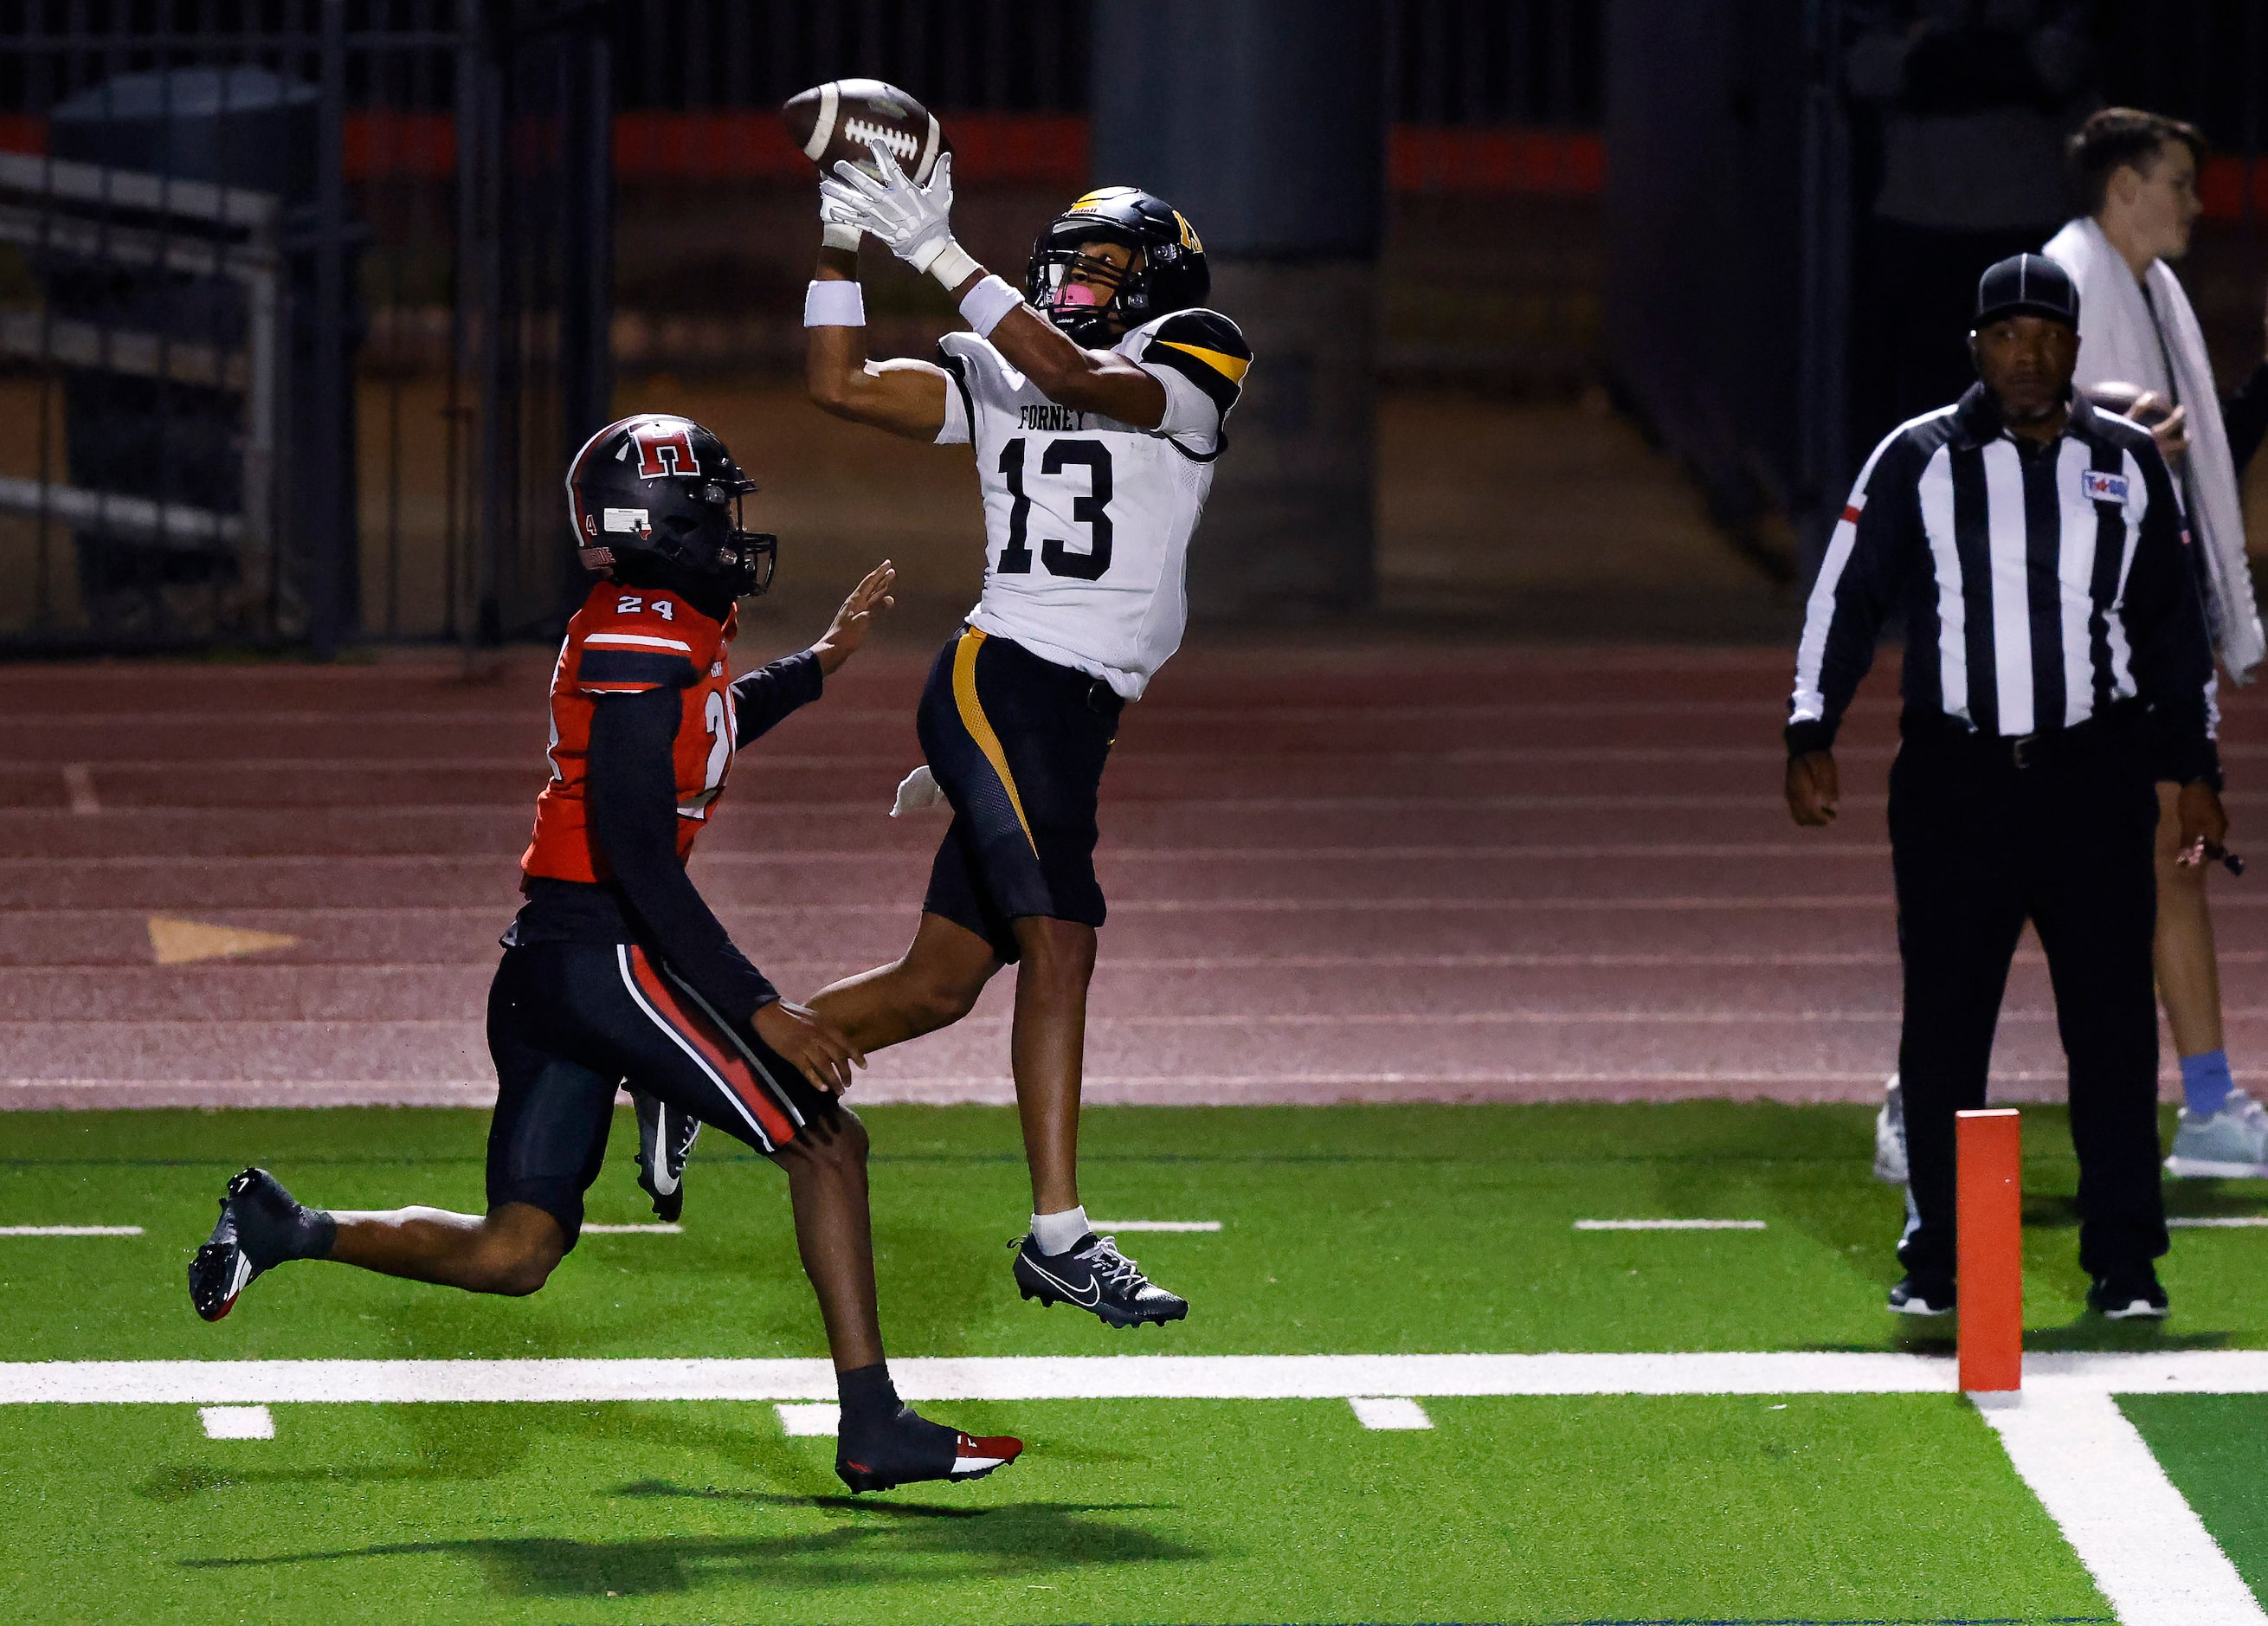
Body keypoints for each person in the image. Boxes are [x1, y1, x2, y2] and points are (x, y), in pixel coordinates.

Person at [186, 414, 1021, 1494]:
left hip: (553, 962)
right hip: (598, 954)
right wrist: (758, 1004)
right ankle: (874, 1425)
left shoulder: (658, 622)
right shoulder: (645, 632)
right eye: (711, 505)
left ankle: (292, 1227)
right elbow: (635, 850)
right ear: (659, 518)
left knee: (514, 1254)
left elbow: (700, 726)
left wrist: (815, 667)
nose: (728, 525)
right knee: (829, 1147)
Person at [727, 145, 1247, 1331]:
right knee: (1060, 942)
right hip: (1005, 673)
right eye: (1067, 263)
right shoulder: (998, 363)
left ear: (1160, 280)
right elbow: (840, 385)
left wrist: (939, 253)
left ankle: (701, 1057)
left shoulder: (1194, 352)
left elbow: (1067, 368)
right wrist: (841, 239)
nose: (1078, 282)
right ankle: (1060, 1233)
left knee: (935, 987)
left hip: (1074, 712)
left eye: (1106, 266)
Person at [1787, 254, 2226, 1320]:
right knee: (1945, 1024)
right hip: (1958, 779)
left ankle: (2124, 1261)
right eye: (2005, 336)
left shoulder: (2124, 462)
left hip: (2093, 773)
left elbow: (2171, 628)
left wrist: (2195, 768)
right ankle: (1938, 1257)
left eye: (2046, 335)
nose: (2026, 354)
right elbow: (1846, 597)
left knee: (2110, 1027)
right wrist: (1810, 725)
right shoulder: (1918, 458)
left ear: (2075, 348)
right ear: (1974, 348)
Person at [2042, 107, 2268, 1180]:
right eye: (2177, 181)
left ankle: (2212, 1105)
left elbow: (2202, 448)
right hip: (2076, 647)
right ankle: (1918, 1090)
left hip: (2149, 642)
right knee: (2026, 878)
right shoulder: (2057, 276)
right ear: (2124, 185)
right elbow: (2021, 419)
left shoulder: (2154, 288)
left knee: (2177, 859)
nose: (2194, 202)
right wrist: (2117, 422)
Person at [1843, 0, 2094, 456]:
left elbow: (2057, 68)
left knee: (2028, 399)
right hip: (1920, 227)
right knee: (1922, 406)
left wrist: (1937, 53)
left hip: (2021, 225)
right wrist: (1992, 58)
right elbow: (1867, 69)